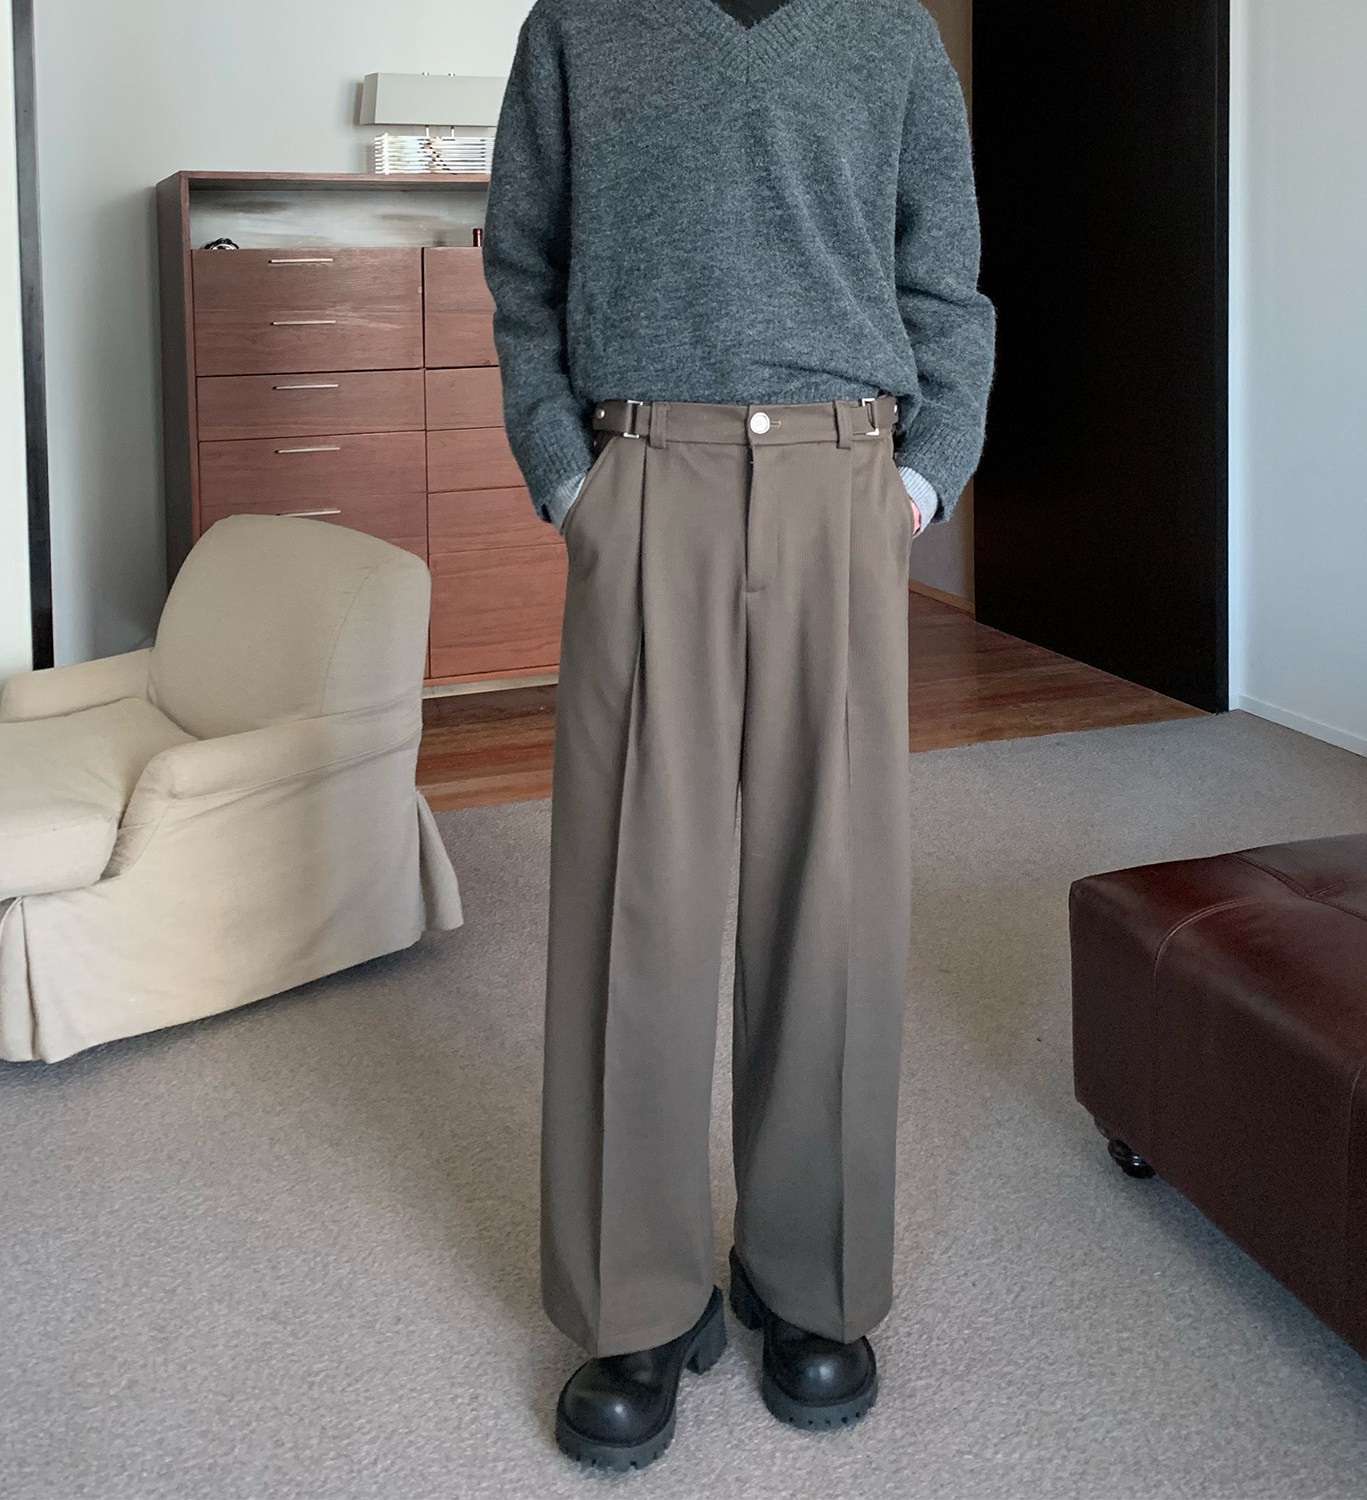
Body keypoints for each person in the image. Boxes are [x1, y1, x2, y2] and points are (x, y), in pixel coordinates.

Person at [483, 0, 995, 1470]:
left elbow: (946, 279)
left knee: (833, 894)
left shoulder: (890, 33)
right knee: (634, 900)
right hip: (648, 478)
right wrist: (569, 477)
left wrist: (922, 477)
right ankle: (633, 1298)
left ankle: (807, 1276)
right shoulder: (579, 22)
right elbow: (521, 262)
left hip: (846, 483)